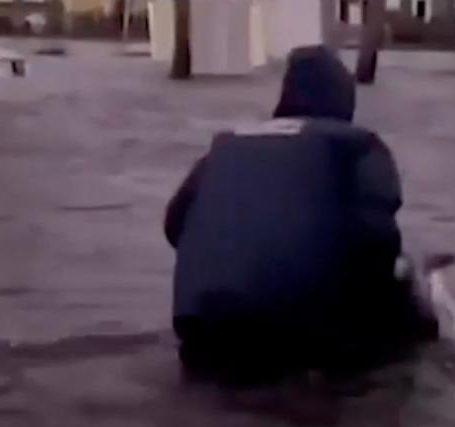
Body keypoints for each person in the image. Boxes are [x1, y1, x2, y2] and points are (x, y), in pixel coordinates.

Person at [164, 45, 438, 381]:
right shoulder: (356, 145)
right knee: (403, 283)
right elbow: (378, 237)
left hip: (201, 328)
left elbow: (173, 226)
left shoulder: (227, 146)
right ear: (343, 99)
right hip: (299, 336)